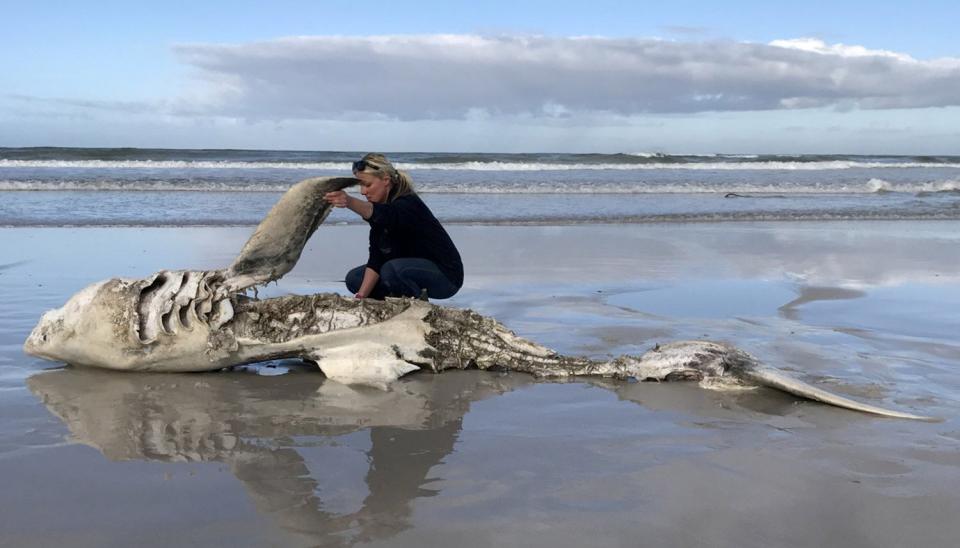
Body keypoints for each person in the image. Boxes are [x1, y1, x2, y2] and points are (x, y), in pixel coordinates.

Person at [323, 153, 463, 300]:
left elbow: (383, 214)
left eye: (368, 185)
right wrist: (361, 296)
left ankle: (418, 307)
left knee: (392, 270)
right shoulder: (382, 209)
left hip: (446, 277)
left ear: (386, 180)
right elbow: (377, 258)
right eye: (360, 186)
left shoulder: (407, 204)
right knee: (355, 278)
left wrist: (349, 201)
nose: (363, 192)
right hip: (404, 269)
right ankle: (390, 304)